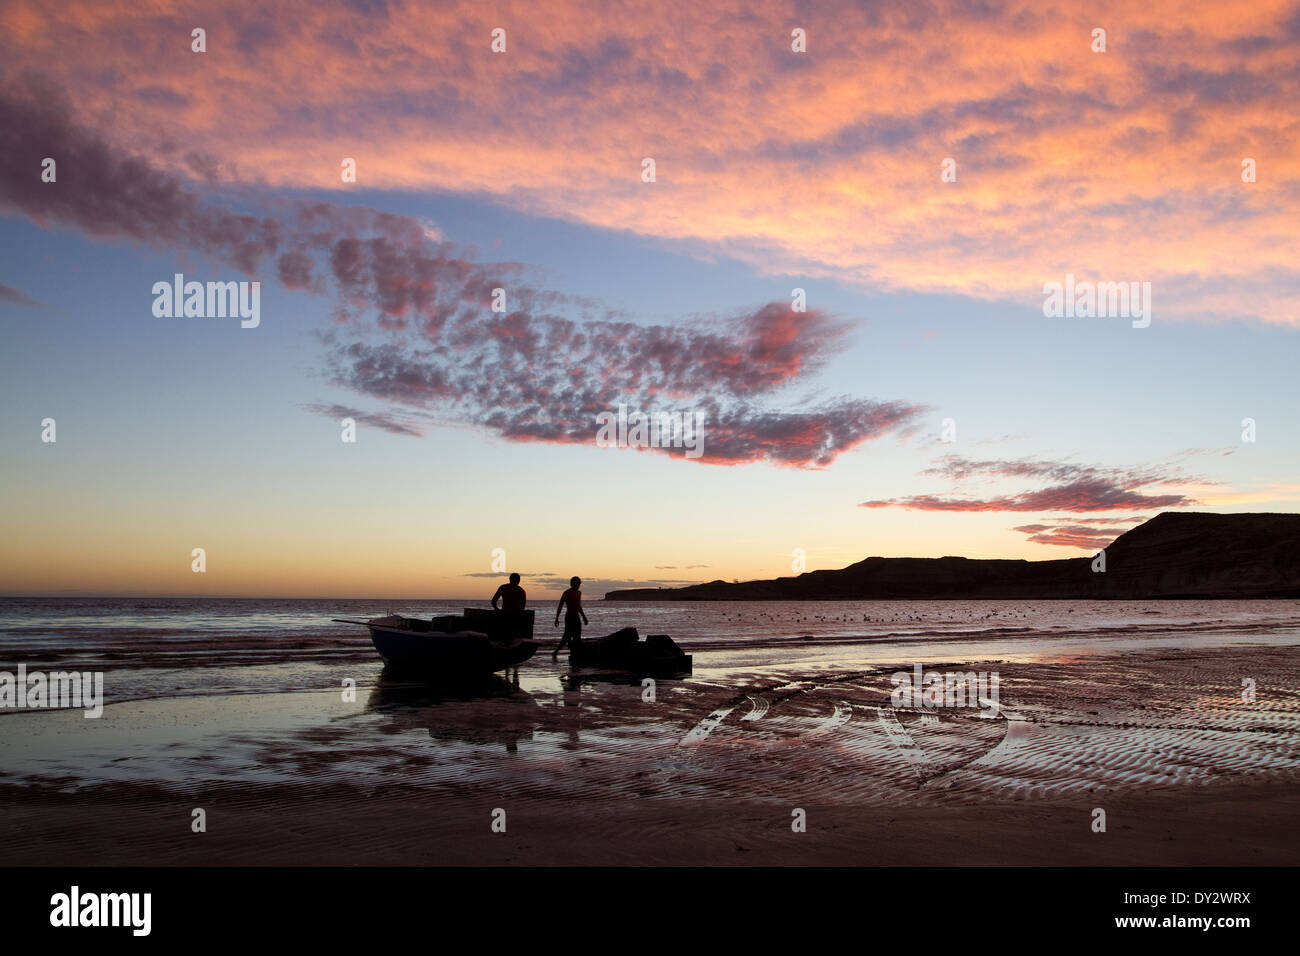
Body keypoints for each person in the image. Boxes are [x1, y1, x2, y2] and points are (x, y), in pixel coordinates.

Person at [553, 576, 589, 659]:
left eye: (579, 584)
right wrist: (557, 618)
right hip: (569, 618)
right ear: (572, 584)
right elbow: (560, 605)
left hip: (577, 618)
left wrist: (584, 617)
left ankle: (575, 654)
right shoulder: (566, 593)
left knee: (577, 637)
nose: (578, 586)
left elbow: (578, 606)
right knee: (567, 637)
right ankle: (556, 652)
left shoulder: (579, 593)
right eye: (576, 584)